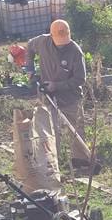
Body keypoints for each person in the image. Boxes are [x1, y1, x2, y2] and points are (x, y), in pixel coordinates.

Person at [24, 20, 93, 174]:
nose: (62, 45)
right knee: (50, 130)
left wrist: (57, 85)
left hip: (70, 98)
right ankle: (51, 163)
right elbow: (29, 46)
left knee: (76, 129)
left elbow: (80, 79)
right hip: (47, 96)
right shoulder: (42, 42)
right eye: (59, 42)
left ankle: (80, 161)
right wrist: (29, 68)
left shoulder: (75, 51)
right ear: (52, 35)